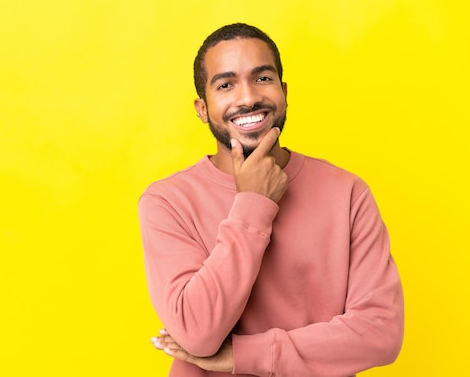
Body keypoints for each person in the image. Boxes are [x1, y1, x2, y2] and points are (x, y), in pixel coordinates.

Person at [138, 23, 404, 376]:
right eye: (225, 84)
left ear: (284, 91)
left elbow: (381, 332)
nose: (247, 98)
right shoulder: (167, 201)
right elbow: (198, 334)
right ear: (202, 108)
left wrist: (243, 355)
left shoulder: (348, 192)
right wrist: (252, 204)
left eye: (262, 78)